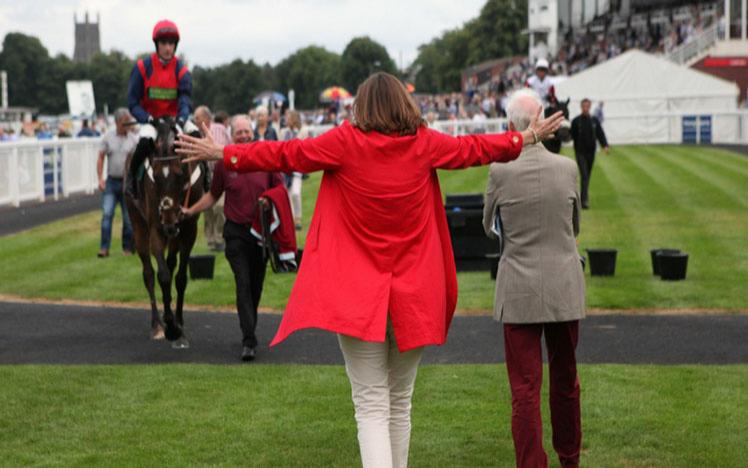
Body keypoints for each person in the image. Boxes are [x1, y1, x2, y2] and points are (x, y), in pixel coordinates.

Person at [176, 72, 563, 468]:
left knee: (372, 407)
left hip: (359, 299)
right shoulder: (423, 144)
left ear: (362, 106)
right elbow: (474, 148)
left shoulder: (345, 143)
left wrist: (226, 154)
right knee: (399, 403)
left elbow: (287, 153)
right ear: (403, 104)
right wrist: (525, 137)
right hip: (414, 296)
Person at [483, 89, 585, 468]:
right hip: (562, 283)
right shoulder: (567, 168)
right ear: (543, 122)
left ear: (512, 126)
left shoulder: (499, 170)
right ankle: (569, 458)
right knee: (566, 379)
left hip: (519, 286)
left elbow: (489, 229)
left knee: (524, 388)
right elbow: (574, 227)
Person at [181, 115, 283, 362]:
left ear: (253, 133)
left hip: (260, 233)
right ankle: (248, 340)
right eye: (239, 133)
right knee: (243, 283)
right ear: (232, 135)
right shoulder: (225, 164)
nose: (244, 136)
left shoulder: (266, 157)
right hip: (236, 233)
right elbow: (213, 195)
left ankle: (249, 330)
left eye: (247, 132)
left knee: (256, 286)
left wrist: (269, 201)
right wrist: (191, 210)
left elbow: (280, 191)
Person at [125, 19, 196, 203]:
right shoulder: (142, 68)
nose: (167, 48)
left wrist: (181, 120)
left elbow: (185, 100)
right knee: (143, 144)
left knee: (196, 136)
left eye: (171, 43)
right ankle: (132, 181)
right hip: (152, 121)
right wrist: (147, 118)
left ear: (175, 45)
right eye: (164, 43)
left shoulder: (182, 71)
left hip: (175, 119)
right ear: (157, 45)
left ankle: (205, 178)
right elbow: (132, 102)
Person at [96, 108, 138, 258]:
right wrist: (100, 178)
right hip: (112, 182)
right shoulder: (108, 137)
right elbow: (101, 157)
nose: (128, 124)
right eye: (125, 122)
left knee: (128, 218)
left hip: (127, 182)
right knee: (107, 214)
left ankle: (127, 248)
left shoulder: (134, 139)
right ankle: (104, 248)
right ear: (118, 122)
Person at [194, 105, 232, 251]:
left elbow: (230, 145)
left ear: (206, 118)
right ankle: (210, 240)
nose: (195, 120)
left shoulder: (220, 129)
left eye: (197, 118)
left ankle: (219, 237)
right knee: (207, 209)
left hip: (221, 173)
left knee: (220, 207)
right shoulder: (196, 133)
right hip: (205, 176)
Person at [570, 98, 609, 209]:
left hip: (591, 152)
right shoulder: (576, 121)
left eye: (588, 106)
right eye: (584, 106)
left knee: (587, 176)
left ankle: (582, 197)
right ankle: (584, 201)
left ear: (590, 107)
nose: (586, 108)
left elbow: (600, 134)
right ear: (581, 107)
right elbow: (571, 135)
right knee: (585, 176)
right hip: (580, 152)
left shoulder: (594, 121)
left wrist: (605, 145)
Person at [280, 110, 306, 230]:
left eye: (288, 117)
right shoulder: (283, 132)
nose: (286, 120)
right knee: (288, 195)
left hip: (297, 168)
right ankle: (291, 220)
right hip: (286, 169)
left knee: (296, 193)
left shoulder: (302, 131)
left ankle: (298, 217)